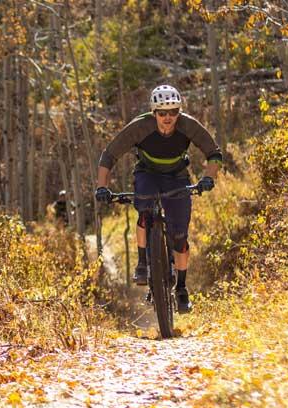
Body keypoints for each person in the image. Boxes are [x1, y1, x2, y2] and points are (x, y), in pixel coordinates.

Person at [93, 85, 221, 313]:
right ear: (154, 113)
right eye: (162, 113)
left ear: (179, 112)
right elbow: (109, 155)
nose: (168, 118)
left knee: (180, 237)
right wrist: (102, 187)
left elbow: (214, 152)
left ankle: (181, 289)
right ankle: (143, 264)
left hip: (177, 177)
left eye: (173, 112)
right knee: (144, 206)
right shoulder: (140, 127)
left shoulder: (188, 125)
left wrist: (209, 177)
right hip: (147, 173)